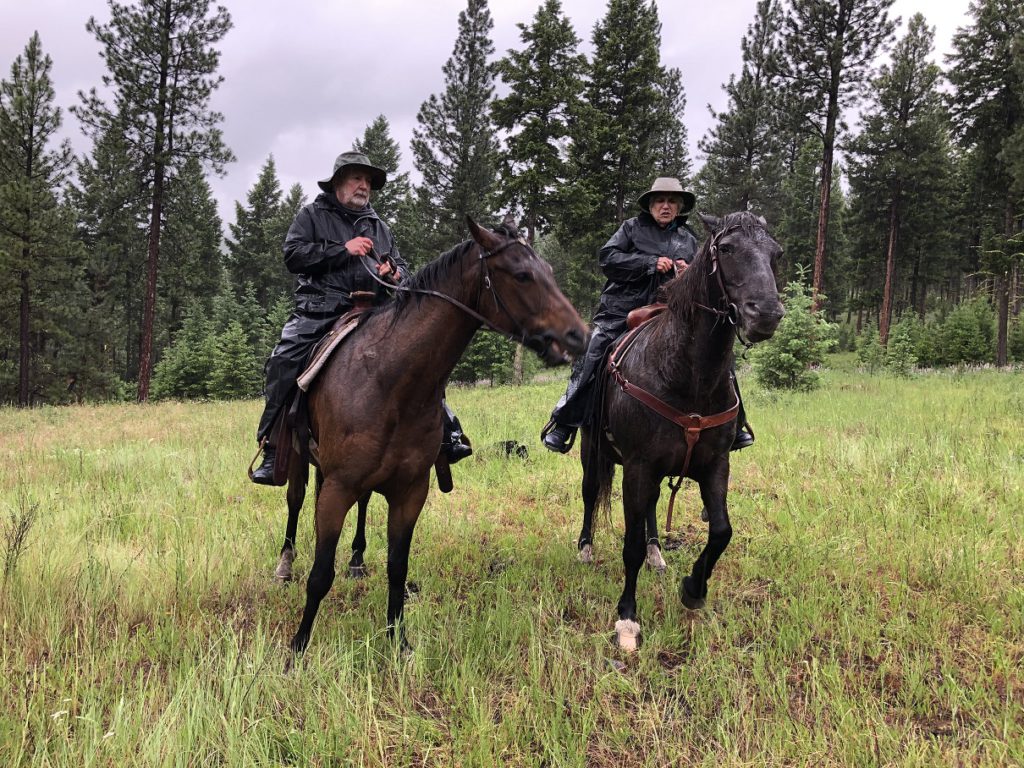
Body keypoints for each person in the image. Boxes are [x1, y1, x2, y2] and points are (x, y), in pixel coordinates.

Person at [251, 150, 471, 485]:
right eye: (357, 178)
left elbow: (404, 273)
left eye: (368, 181)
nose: (363, 186)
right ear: (338, 182)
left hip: (375, 314)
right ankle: (273, 445)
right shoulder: (311, 215)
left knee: (421, 359)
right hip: (321, 310)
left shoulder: (379, 226)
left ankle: (447, 434)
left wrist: (395, 272)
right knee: (283, 359)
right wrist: (343, 250)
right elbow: (293, 256)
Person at [540, 176, 755, 454]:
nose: (665, 206)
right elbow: (608, 258)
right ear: (651, 205)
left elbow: (705, 278)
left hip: (674, 311)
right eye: (660, 201)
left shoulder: (688, 239)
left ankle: (736, 424)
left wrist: (688, 269)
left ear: (679, 207)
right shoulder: (631, 228)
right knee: (594, 349)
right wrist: (649, 263)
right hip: (623, 309)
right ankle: (565, 422)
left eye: (671, 202)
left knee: (719, 351)